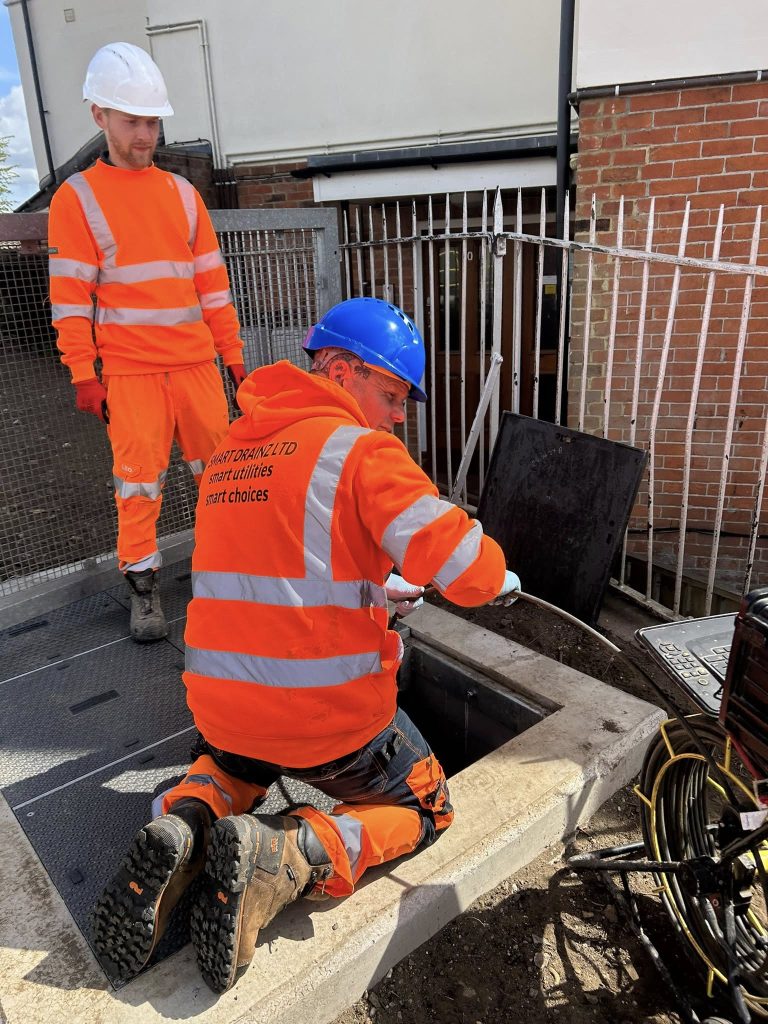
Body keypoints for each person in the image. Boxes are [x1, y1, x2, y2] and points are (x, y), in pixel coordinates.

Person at [91, 297, 521, 993]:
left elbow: (280, 577)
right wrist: (500, 576)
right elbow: (466, 571)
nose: (398, 415)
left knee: (240, 758)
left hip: (222, 710)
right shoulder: (358, 450)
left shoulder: (233, 451)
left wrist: (375, 592)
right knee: (428, 805)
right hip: (328, 724)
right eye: (390, 394)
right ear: (343, 371)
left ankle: (191, 819)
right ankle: (292, 853)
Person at [48, 42, 246, 642]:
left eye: (153, 121)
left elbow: (214, 289)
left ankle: (234, 576)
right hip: (131, 376)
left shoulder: (183, 196)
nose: (145, 134)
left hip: (196, 368)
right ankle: (145, 592)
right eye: (132, 120)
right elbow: (70, 299)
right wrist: (83, 372)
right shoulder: (75, 199)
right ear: (99, 117)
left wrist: (235, 362)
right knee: (137, 488)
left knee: (225, 478)